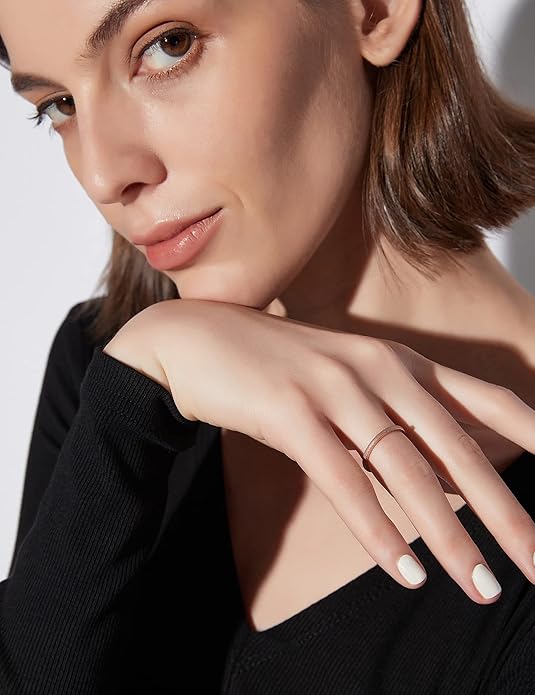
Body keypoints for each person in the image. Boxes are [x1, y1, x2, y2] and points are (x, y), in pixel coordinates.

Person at [0, 0, 534, 692]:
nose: (103, 174)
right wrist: (131, 397)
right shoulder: (114, 374)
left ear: (374, 11)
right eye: (60, 105)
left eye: (168, 45)